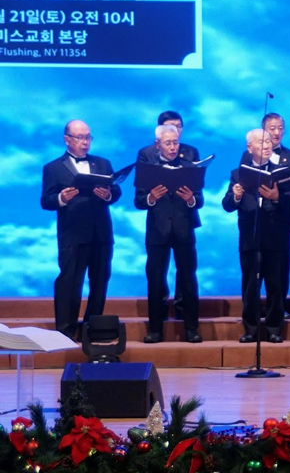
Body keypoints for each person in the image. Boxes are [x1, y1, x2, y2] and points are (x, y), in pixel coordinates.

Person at [41, 120, 122, 340]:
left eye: (88, 137)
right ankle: (65, 332)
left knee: (100, 282)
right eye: (80, 137)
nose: (85, 142)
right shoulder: (53, 168)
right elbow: (46, 200)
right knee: (69, 282)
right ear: (67, 139)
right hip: (72, 235)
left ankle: (91, 330)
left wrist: (109, 195)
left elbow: (116, 190)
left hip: (101, 233)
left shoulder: (103, 163)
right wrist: (62, 198)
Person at [224, 129, 290, 343]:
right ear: (250, 148)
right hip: (250, 237)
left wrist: (276, 196)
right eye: (261, 141)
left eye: (268, 141)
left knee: (276, 284)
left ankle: (274, 329)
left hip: (276, 235)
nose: (267, 145)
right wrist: (236, 196)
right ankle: (251, 329)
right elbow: (227, 205)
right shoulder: (237, 174)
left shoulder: (282, 171)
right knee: (250, 285)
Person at [135, 124, 204, 343]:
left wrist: (190, 199)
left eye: (175, 143)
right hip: (158, 230)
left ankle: (191, 329)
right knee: (156, 280)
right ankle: (155, 330)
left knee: (188, 280)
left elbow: (199, 200)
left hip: (184, 229)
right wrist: (151, 197)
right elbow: (138, 201)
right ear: (157, 145)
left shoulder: (189, 167)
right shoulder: (149, 169)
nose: (173, 147)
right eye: (168, 143)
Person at [240, 113, 290, 321]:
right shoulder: (248, 155)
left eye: (280, 128)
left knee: (280, 268)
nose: (276, 133)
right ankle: (253, 314)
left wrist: (278, 195)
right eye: (272, 129)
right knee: (253, 270)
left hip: (281, 218)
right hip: (256, 220)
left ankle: (278, 309)